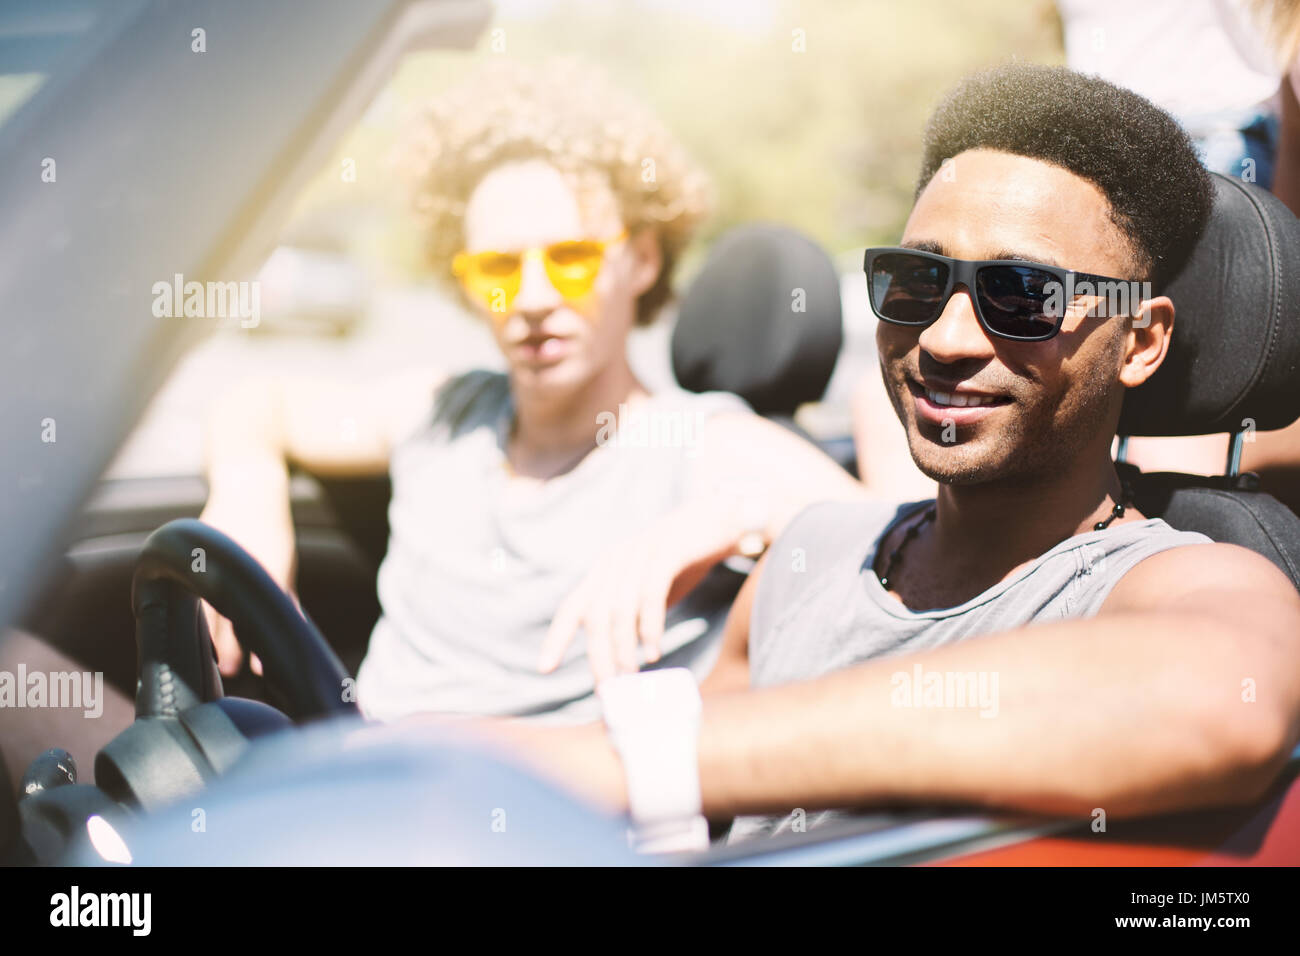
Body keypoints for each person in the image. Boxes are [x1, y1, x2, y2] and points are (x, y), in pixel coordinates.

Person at [493, 65, 1300, 841]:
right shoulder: (805, 558)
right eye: (917, 280)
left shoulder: (1192, 576)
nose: (946, 340)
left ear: (1140, 341)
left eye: (1023, 296)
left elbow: (1226, 702)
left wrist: (629, 757)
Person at [198, 59, 865, 726]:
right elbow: (260, 403)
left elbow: (901, 546)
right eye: (498, 268)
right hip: (358, 783)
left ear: (642, 260)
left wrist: (740, 517)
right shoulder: (442, 412)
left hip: (537, 815)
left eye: (571, 260)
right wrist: (246, 498)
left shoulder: (698, 446)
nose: (534, 299)